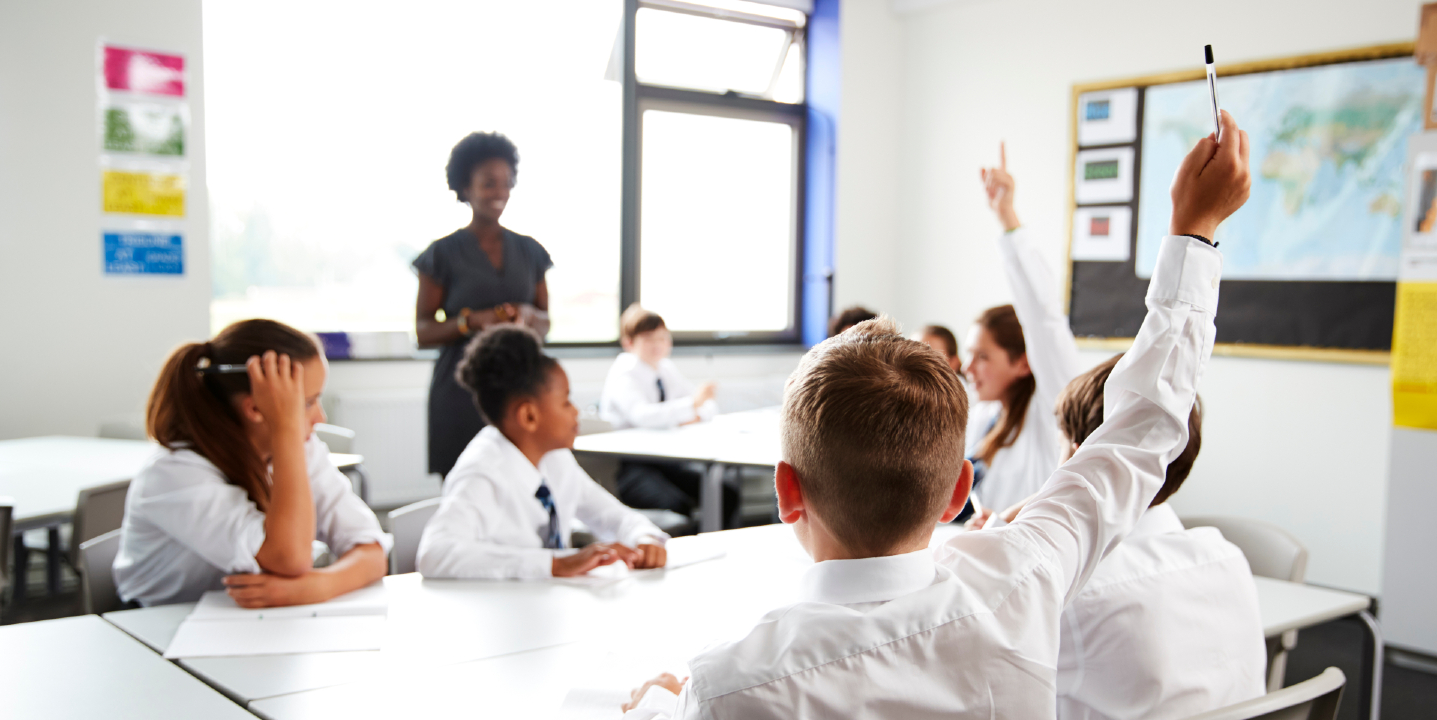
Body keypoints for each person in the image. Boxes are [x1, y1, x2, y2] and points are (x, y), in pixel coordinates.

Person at [619, 111, 1250, 719]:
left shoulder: (728, 689)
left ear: (788, 491)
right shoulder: (1025, 576)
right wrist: (1194, 228)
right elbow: (1145, 428)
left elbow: (1139, 428)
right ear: (958, 491)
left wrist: (659, 702)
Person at [978, 355, 1265, 720]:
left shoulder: (1076, 592)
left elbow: (981, 646)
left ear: (1081, 462)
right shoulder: (1227, 556)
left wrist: (1012, 522)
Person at [115, 319, 390, 608]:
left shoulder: (303, 450)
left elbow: (371, 550)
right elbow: (290, 558)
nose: (320, 417)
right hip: (155, 624)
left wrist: (319, 586)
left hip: (247, 623)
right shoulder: (173, 473)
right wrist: (286, 430)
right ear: (256, 408)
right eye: (308, 403)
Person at [417, 325, 670, 579]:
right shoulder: (483, 473)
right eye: (565, 402)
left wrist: (644, 538)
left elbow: (612, 516)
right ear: (529, 416)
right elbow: (434, 554)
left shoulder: (555, 457)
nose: (575, 412)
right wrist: (555, 564)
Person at [414, 131, 553, 478]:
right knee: (465, 486)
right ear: (465, 187)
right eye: (489, 183)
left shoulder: (531, 251)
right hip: (461, 393)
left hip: (521, 385)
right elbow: (423, 331)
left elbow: (545, 321)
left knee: (523, 485)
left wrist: (526, 316)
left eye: (507, 183)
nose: (500, 193)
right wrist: (472, 321)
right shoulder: (441, 254)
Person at [963, 143, 1085, 514]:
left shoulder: (1051, 409)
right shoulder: (985, 415)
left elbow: (1043, 318)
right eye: (970, 355)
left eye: (983, 356)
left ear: (1023, 362)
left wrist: (1007, 217)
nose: (968, 369)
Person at [599, 304, 738, 528]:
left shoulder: (665, 368)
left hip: (667, 461)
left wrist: (690, 409)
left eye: (663, 338)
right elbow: (643, 416)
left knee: (726, 493)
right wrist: (691, 406)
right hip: (633, 466)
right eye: (649, 339)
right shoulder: (624, 372)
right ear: (629, 343)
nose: (658, 345)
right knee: (675, 505)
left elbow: (707, 408)